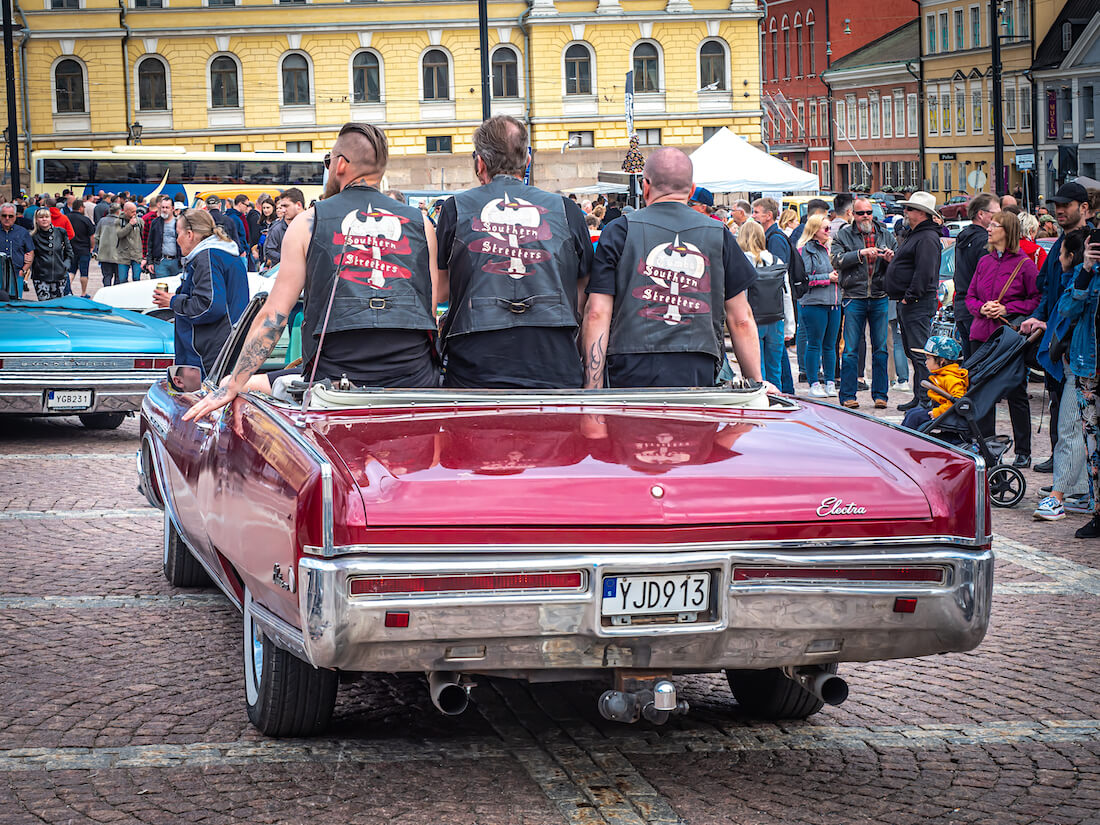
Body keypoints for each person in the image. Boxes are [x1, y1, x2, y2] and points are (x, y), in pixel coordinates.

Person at [182, 122, 443, 423]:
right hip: (415, 383)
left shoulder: (308, 222)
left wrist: (234, 384)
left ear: (341, 164)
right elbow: (430, 308)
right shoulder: (421, 223)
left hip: (335, 387)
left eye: (328, 161)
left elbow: (274, 316)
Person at [581, 147, 760, 388]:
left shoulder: (619, 231)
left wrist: (593, 387)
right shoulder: (720, 234)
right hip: (697, 363)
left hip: (629, 364)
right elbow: (741, 319)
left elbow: (597, 312)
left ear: (646, 185)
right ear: (692, 188)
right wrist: (757, 383)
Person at [436, 115, 591, 389]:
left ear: (480, 163)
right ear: (527, 160)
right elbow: (584, 291)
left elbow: (441, 290)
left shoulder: (455, 209)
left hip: (475, 366)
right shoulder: (567, 211)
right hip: (554, 362)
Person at [1021, 182, 1095, 472]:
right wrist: (1039, 318)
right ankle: (1060, 461)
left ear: (1084, 208)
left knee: (1075, 414)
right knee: (1057, 403)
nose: (1059, 210)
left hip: (1076, 341)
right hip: (1055, 335)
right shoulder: (1058, 247)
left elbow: (1077, 298)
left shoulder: (1086, 244)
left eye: (1066, 205)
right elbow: (1046, 290)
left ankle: (1072, 475)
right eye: (1057, 205)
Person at [964, 210, 1041, 467]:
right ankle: (986, 447)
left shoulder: (1025, 265)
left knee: (1016, 392)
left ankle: (1023, 451)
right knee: (980, 391)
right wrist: (981, 308)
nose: (989, 228)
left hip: (1008, 339)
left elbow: (1036, 300)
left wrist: (1007, 309)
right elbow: (970, 295)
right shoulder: (984, 261)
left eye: (994, 225)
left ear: (1007, 231)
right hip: (981, 335)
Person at [1033, 230, 1092, 522]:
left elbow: (1068, 311)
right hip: (1081, 363)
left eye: (1061, 253)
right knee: (1080, 430)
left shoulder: (1083, 278)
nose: (1057, 258)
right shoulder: (1080, 277)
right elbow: (1067, 308)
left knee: (1070, 427)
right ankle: (1081, 491)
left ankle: (1058, 496)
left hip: (1083, 365)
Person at [151, 209, 249, 378]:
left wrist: (174, 302)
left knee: (194, 401)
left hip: (206, 354)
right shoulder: (223, 254)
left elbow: (209, 306)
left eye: (178, 233)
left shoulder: (208, 257)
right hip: (222, 349)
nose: (177, 239)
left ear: (189, 234)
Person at [1055, 229, 1100, 537]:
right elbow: (1067, 309)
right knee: (1092, 444)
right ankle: (1098, 512)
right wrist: (1084, 269)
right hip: (1089, 369)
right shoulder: (1088, 274)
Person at [833, 196, 897, 409]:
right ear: (853, 214)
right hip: (854, 297)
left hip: (879, 296)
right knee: (851, 349)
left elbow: (897, 264)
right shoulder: (844, 234)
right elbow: (836, 260)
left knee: (880, 348)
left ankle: (881, 395)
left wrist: (890, 260)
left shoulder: (885, 234)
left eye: (869, 212)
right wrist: (860, 253)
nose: (866, 217)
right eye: (861, 213)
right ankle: (848, 395)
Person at [885, 191, 944, 411]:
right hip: (911, 302)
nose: (905, 213)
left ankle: (926, 399)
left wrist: (910, 297)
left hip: (917, 303)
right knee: (914, 352)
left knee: (920, 353)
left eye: (909, 209)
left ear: (921, 213)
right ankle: (920, 397)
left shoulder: (927, 237)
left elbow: (925, 272)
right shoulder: (918, 235)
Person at [752, 196, 805, 394]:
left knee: (775, 358)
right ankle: (786, 392)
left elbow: (776, 275)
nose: (754, 216)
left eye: (757, 212)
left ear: (768, 215)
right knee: (777, 355)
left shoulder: (774, 238)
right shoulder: (773, 236)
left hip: (774, 306)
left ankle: (783, 393)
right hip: (774, 307)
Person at [738, 220, 793, 387]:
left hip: (752, 320)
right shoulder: (776, 261)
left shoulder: (741, 262)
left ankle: (760, 407)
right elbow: (786, 294)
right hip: (775, 319)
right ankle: (777, 404)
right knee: (775, 370)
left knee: (756, 372)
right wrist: (790, 326)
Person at [797, 214, 841, 398]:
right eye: (825, 228)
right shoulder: (805, 250)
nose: (828, 232)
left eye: (829, 228)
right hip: (814, 302)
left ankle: (830, 381)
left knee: (830, 345)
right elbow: (803, 278)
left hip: (834, 301)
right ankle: (813, 382)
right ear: (815, 230)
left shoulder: (831, 248)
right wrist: (827, 278)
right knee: (814, 344)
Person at [952, 193, 1001, 358]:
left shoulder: (963, 237)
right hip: (977, 310)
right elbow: (986, 281)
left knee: (970, 363)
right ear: (981, 214)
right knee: (983, 365)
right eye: (995, 214)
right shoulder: (984, 241)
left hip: (962, 306)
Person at [900, 335, 969, 431]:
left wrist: (938, 412)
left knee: (914, 417)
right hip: (939, 409)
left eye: (928, 358)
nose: (925, 362)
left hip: (946, 413)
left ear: (941, 361)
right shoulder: (942, 374)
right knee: (912, 413)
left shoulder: (951, 378)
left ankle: (903, 440)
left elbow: (958, 401)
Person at [29, 208, 72, 301]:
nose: (44, 219)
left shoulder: (60, 232)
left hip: (59, 275)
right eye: (41, 217)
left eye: (46, 217)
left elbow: (69, 252)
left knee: (57, 306)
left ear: (50, 218)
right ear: (36, 219)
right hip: (41, 276)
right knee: (44, 306)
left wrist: (65, 266)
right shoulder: (32, 236)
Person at [262, 188, 305, 267]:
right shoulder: (276, 228)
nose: (283, 210)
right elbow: (268, 250)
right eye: (281, 207)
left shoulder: (312, 225)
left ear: (298, 205)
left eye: (286, 206)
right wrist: (288, 260)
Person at [145, 196, 182, 280]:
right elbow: (150, 243)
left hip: (177, 261)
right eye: (163, 207)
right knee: (161, 287)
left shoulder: (179, 222)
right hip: (161, 261)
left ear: (172, 208)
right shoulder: (155, 223)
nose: (164, 210)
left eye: (167, 207)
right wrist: (150, 262)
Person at [1, 202, 34, 293]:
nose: (7, 218)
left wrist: (23, 271)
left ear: (15, 216)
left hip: (16, 275)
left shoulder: (23, 232)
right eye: (4, 216)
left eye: (10, 216)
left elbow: (30, 252)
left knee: (15, 303)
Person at [67, 199, 95, 297]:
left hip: (70, 249)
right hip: (83, 249)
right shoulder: (85, 220)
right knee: (84, 272)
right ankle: (83, 293)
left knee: (71, 271)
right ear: (80, 208)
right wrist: (92, 247)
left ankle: (67, 291)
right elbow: (92, 236)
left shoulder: (67, 218)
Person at [93, 203, 124, 287]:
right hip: (118, 255)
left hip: (104, 254)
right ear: (118, 211)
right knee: (118, 277)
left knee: (107, 276)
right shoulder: (121, 222)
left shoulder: (102, 221)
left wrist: (99, 247)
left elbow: (96, 236)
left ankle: (106, 292)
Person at [115, 202, 144, 284]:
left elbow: (144, 236)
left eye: (135, 211)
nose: (135, 213)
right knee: (122, 279)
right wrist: (130, 225)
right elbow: (119, 234)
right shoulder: (118, 221)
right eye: (132, 211)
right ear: (125, 211)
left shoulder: (139, 221)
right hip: (123, 254)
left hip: (137, 254)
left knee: (136, 278)